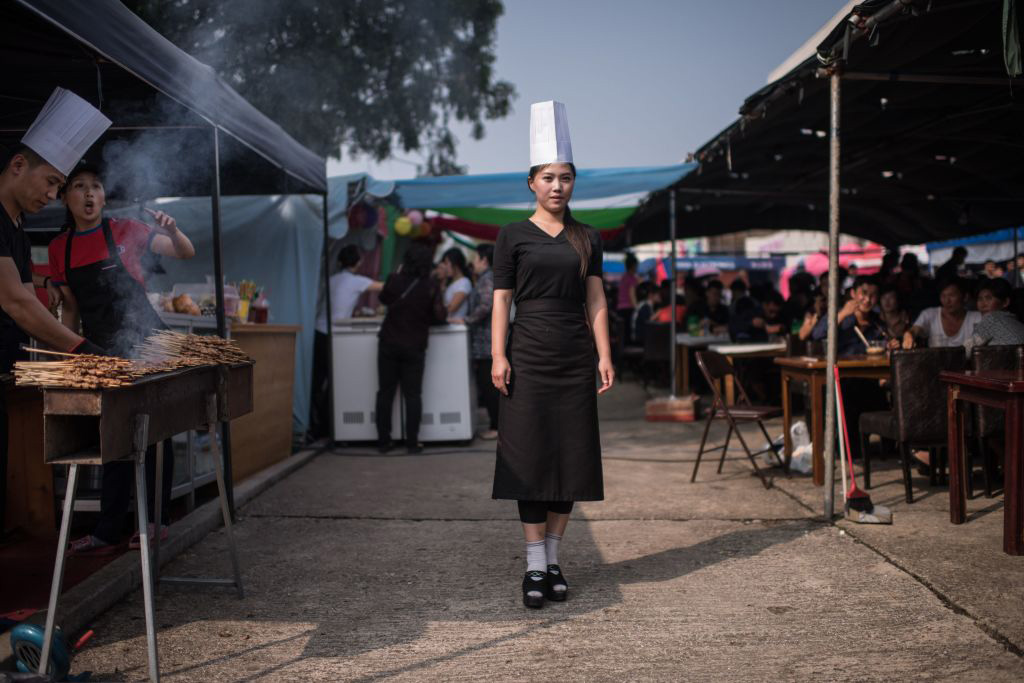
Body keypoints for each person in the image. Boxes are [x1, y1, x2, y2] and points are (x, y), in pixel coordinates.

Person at [491, 101, 613, 609]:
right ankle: (533, 565)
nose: (558, 186)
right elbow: (500, 299)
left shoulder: (588, 237)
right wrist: (498, 355)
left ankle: (555, 558)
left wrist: (604, 355)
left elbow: (596, 299)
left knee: (571, 456)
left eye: (565, 177)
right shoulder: (512, 235)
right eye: (548, 177)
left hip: (573, 353)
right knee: (528, 456)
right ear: (531, 183)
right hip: (529, 351)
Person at [48, 163, 196, 553]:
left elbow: (185, 252)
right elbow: (73, 312)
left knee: (153, 434)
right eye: (79, 187)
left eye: (95, 186)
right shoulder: (58, 247)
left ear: (104, 196)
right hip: (100, 349)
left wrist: (173, 230)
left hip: (147, 340)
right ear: (65, 198)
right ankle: (107, 528)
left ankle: (154, 520)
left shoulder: (125, 231)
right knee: (110, 437)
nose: (89, 194)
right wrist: (72, 355)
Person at [0, 88, 109, 537]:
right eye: (51, 182)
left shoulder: (19, 231)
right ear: (18, 165)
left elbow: (32, 304)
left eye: (57, 187)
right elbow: (15, 302)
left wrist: (63, 355)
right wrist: (85, 350)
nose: (53, 193)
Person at [375, 243, 446, 454]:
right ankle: (413, 443)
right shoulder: (431, 285)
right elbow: (439, 316)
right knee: (413, 395)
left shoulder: (394, 280)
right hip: (415, 345)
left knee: (385, 393)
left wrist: (396, 275)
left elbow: (383, 299)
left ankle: (383, 442)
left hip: (388, 342)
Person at [310, 244, 384, 439]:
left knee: (317, 381)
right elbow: (383, 287)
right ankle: (327, 426)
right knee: (335, 380)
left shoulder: (331, 279)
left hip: (318, 331)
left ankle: (312, 424)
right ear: (358, 262)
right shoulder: (356, 281)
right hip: (334, 335)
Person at [449, 243, 499, 440]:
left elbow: (486, 304)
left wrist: (467, 320)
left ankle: (496, 427)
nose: (474, 263)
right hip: (486, 342)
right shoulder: (487, 278)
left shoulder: (487, 279)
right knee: (488, 385)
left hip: (487, 342)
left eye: (476, 258)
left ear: (484, 260)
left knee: (489, 386)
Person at [812, 275, 888, 356]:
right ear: (853, 293)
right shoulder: (837, 314)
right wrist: (842, 314)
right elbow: (817, 335)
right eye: (864, 293)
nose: (868, 299)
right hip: (838, 367)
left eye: (873, 295)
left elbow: (881, 345)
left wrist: (888, 346)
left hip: (867, 367)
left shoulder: (877, 322)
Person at [902, 278, 981, 349]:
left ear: (965, 297)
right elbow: (915, 329)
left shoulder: (976, 318)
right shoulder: (929, 314)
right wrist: (909, 335)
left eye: (952, 295)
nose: (947, 301)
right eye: (943, 296)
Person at [965, 277, 1024, 353]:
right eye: (980, 299)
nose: (982, 305)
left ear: (1005, 302)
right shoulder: (1016, 321)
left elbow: (965, 351)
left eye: (988, 298)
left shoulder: (991, 319)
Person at [440, 247, 472, 319]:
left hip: (456, 328)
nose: (445, 267)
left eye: (446, 263)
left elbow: (451, 308)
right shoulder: (451, 282)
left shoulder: (464, 282)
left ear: (455, 263)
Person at [615, 253, 639, 343]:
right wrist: (637, 308)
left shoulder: (623, 277)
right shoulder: (632, 278)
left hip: (620, 308)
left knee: (622, 334)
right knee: (628, 334)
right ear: (633, 265)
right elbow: (631, 294)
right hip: (628, 309)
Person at [631, 280, 660, 346]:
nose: (660, 296)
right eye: (658, 294)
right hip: (638, 340)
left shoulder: (645, 305)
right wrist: (660, 312)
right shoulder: (644, 306)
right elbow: (649, 322)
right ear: (651, 295)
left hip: (641, 338)